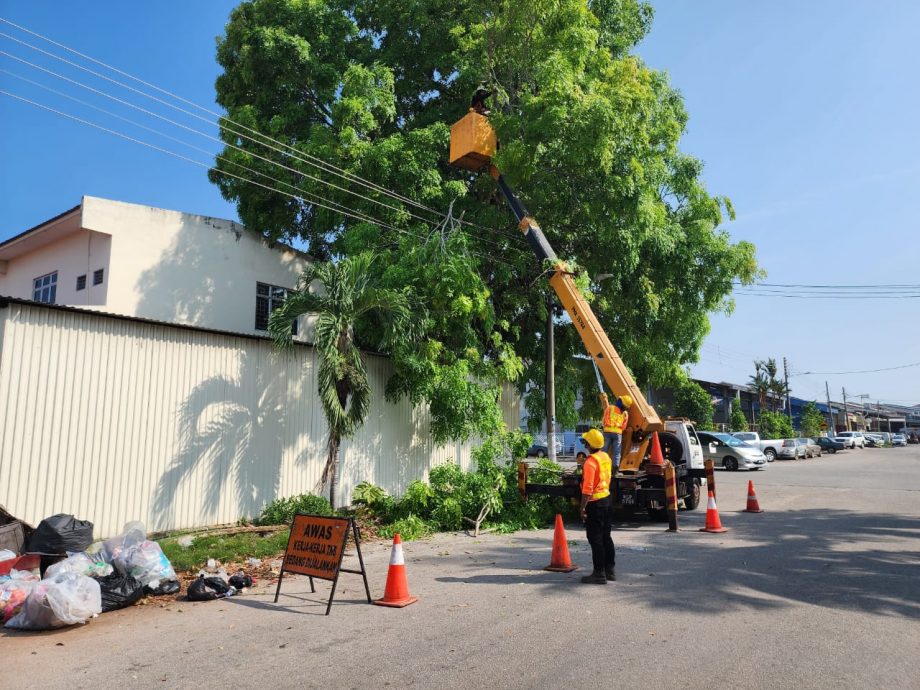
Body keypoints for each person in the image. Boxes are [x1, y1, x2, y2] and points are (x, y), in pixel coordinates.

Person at [578, 428, 615, 584]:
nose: (584, 443)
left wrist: (582, 508)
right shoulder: (605, 457)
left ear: (589, 444)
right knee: (606, 536)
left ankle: (599, 574)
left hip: (595, 503)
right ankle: (609, 570)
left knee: (595, 538)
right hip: (606, 499)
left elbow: (587, 490)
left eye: (586, 441)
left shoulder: (590, 463)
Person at [599, 392, 633, 469]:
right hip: (618, 434)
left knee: (604, 450)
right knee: (617, 452)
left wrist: (605, 427)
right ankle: (615, 468)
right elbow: (624, 426)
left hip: (607, 431)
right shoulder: (625, 414)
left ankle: (601, 466)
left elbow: (604, 418)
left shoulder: (610, 408)